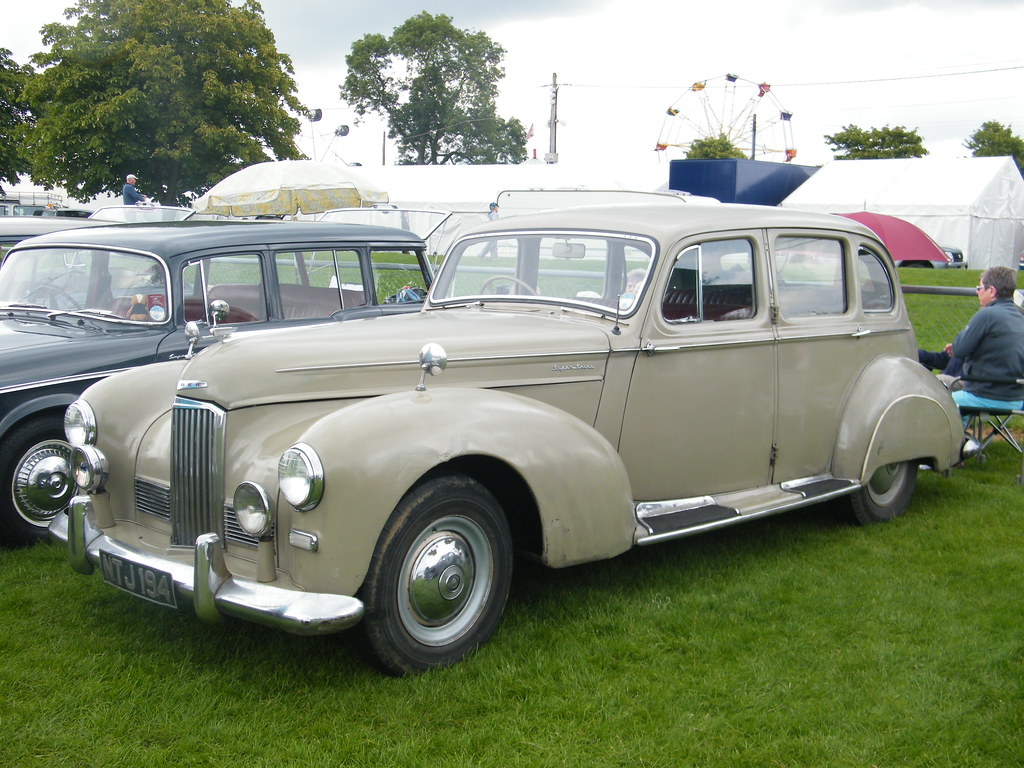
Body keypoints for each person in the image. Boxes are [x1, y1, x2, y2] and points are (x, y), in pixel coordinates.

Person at [946, 266, 1024, 417]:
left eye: (980, 287)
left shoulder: (987, 314)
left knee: (938, 403)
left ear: (992, 291)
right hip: (1016, 397)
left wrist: (956, 345)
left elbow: (959, 349)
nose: (977, 292)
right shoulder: (1019, 317)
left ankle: (958, 440)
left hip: (987, 396)